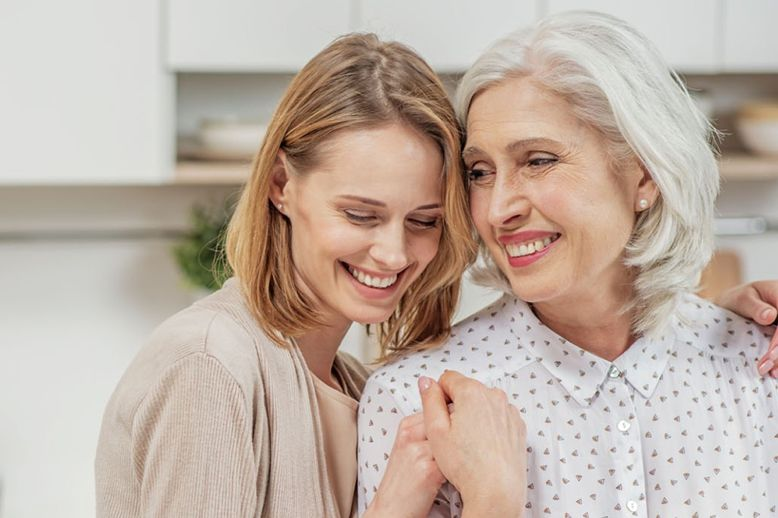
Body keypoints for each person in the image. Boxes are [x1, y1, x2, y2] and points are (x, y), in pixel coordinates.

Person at [357, 11, 778, 517]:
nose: (497, 209)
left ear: (644, 176)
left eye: (538, 160)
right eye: (480, 172)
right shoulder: (415, 403)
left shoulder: (756, 369)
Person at [95, 33, 526, 518]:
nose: (393, 253)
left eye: (424, 221)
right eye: (360, 215)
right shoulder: (209, 365)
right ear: (282, 186)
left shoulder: (359, 389)